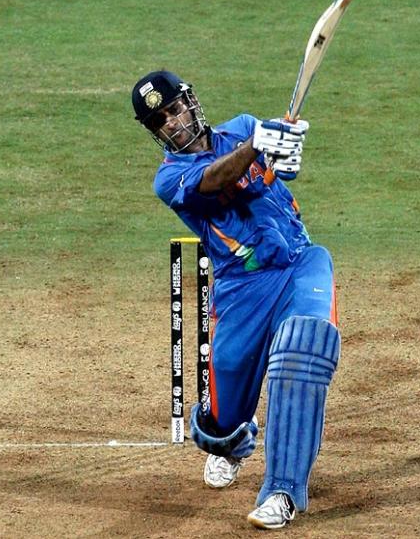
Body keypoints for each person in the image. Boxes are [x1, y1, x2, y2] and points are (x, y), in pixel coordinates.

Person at [132, 70, 340, 530]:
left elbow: (283, 170)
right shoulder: (170, 179)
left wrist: (284, 147)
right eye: (161, 119)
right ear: (154, 132)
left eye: (175, 107)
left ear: (192, 101)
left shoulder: (244, 127)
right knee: (222, 418)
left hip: (298, 264)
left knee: (302, 352)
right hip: (240, 290)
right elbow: (215, 179)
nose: (173, 121)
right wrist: (259, 146)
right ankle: (226, 444)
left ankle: (283, 489)